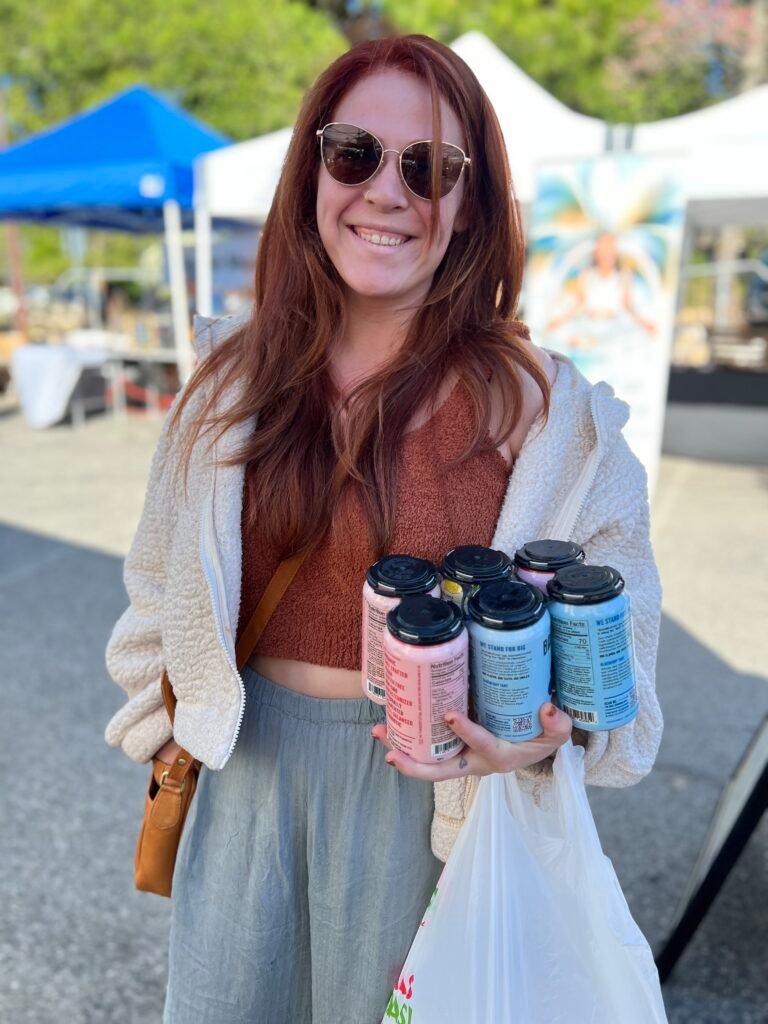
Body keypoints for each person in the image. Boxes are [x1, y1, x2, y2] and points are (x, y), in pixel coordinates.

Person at [104, 34, 663, 1024]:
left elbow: (620, 654)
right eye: (354, 153)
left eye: (430, 168)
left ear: (472, 203)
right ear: (313, 173)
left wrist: (542, 741)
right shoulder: (229, 386)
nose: (386, 192)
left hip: (434, 807)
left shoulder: (547, 413)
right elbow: (157, 582)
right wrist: (166, 720)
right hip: (246, 780)